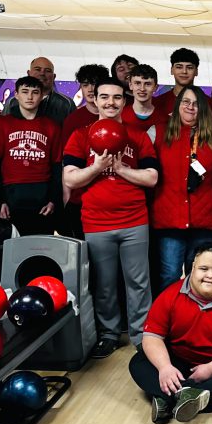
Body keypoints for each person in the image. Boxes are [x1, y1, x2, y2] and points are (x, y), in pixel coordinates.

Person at [63, 79, 160, 358]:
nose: (110, 103)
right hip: (96, 223)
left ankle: (142, 336)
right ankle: (108, 334)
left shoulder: (138, 136)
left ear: (124, 101)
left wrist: (120, 169)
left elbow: (151, 177)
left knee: (139, 282)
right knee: (104, 284)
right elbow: (70, 178)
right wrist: (96, 167)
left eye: (117, 98)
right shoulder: (81, 136)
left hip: (134, 220)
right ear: (95, 99)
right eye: (104, 97)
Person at [130, 245, 212, 424]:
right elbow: (152, 336)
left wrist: (211, 368)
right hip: (180, 362)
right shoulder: (171, 295)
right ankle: (189, 396)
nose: (209, 275)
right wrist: (164, 368)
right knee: (139, 362)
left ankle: (166, 397)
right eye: (203, 269)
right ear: (192, 269)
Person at [151, 85, 212, 291]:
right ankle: (168, 316)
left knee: (197, 273)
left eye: (196, 104)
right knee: (169, 273)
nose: (191, 107)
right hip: (168, 217)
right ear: (178, 105)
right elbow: (146, 173)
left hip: (204, 216)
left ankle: (194, 316)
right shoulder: (157, 132)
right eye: (186, 102)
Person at [0, 75, 62, 236]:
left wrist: (53, 200)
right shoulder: (2, 124)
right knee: (10, 249)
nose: (30, 97)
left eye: (35, 92)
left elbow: (57, 166)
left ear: (42, 96)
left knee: (40, 249)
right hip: (11, 195)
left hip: (41, 195)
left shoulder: (51, 127)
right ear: (16, 94)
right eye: (25, 91)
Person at [60, 64, 111, 239]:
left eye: (95, 84)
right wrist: (66, 199)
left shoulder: (119, 116)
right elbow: (66, 163)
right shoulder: (74, 120)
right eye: (85, 84)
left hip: (111, 196)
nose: (90, 89)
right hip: (80, 198)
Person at [2, 57, 74, 124]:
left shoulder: (67, 104)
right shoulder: (12, 103)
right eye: (37, 69)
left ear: (54, 76)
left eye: (47, 71)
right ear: (28, 73)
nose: (42, 73)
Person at [123, 63, 168, 139]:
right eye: (137, 83)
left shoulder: (165, 120)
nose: (142, 89)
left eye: (147, 84)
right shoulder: (120, 116)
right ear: (130, 85)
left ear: (155, 87)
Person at [153, 48, 200, 116]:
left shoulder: (208, 103)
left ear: (196, 72)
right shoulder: (158, 103)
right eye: (179, 67)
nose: (184, 71)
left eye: (189, 68)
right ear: (172, 70)